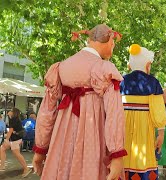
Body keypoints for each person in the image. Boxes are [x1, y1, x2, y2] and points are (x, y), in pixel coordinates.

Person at [32, 24, 127, 180]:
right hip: (93, 138)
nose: (113, 47)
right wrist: (117, 155)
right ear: (109, 40)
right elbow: (114, 114)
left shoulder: (60, 68)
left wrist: (40, 150)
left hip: (62, 140)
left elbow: (46, 113)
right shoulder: (104, 68)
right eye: (113, 43)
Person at [120, 44, 166, 179]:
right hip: (145, 130)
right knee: (144, 162)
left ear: (130, 65)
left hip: (124, 130)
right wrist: (161, 133)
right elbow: (158, 111)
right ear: (147, 65)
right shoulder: (153, 83)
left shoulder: (121, 82)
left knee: (124, 159)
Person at [0, 108, 32, 177]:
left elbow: (11, 130)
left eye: (11, 110)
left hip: (15, 140)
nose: (9, 111)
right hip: (15, 139)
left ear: (13, 112)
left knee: (17, 154)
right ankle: (2, 166)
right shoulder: (14, 119)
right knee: (2, 149)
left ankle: (26, 168)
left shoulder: (13, 119)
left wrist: (6, 140)